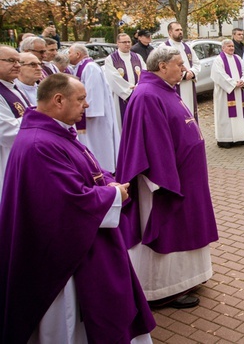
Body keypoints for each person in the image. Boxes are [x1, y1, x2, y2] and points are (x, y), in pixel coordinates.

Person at [0, 74, 154, 343]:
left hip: (80, 243)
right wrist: (113, 194)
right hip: (64, 262)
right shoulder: (40, 144)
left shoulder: (54, 132)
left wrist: (107, 180)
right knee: (73, 324)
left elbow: (87, 169)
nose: (86, 105)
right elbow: (66, 202)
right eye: (80, 99)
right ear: (58, 100)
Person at [116, 47, 219, 309]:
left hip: (186, 178)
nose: (183, 68)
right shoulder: (147, 96)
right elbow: (150, 144)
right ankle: (163, 289)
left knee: (187, 227)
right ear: (162, 66)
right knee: (168, 230)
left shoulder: (164, 90)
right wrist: (164, 181)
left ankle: (186, 278)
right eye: (179, 64)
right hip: (166, 184)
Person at [68, 43, 120, 173]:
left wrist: (87, 112)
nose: (68, 55)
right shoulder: (82, 67)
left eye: (70, 52)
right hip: (87, 116)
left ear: (78, 54)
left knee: (99, 146)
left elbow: (93, 93)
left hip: (94, 119)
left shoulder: (90, 67)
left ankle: (104, 171)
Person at [0, 46, 30, 199]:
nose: (18, 65)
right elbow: (5, 132)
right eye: (11, 61)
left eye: (18, 61)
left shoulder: (14, 87)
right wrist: (36, 118)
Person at [211, 39, 244, 148]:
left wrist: (243, 81)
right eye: (229, 46)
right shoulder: (218, 60)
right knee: (225, 115)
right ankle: (225, 139)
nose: (232, 48)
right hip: (225, 93)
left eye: (232, 46)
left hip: (238, 92)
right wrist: (233, 83)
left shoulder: (238, 58)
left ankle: (240, 137)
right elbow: (219, 75)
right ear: (223, 48)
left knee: (239, 114)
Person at [104, 33, 145, 131]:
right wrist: (130, 91)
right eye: (124, 42)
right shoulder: (111, 59)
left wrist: (139, 87)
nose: (127, 44)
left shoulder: (137, 57)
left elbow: (145, 72)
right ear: (118, 43)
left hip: (138, 95)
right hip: (121, 98)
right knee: (122, 125)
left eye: (128, 42)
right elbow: (113, 79)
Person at [160, 22, 201, 120]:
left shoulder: (187, 47)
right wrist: (183, 75)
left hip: (189, 85)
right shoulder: (163, 48)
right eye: (177, 30)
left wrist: (192, 73)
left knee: (190, 112)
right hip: (174, 86)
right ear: (170, 32)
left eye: (181, 30)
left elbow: (197, 63)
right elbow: (163, 67)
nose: (180, 32)